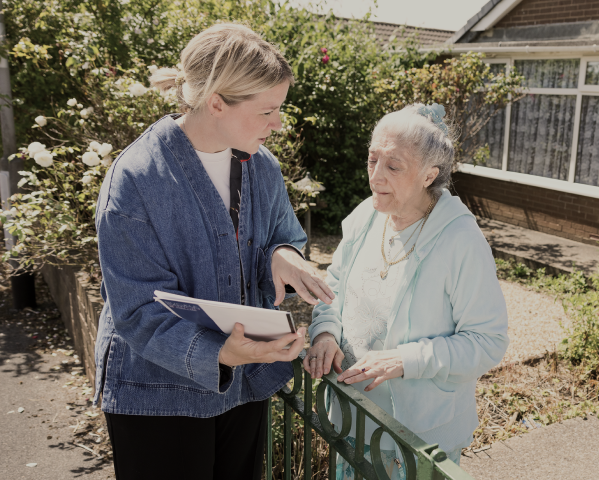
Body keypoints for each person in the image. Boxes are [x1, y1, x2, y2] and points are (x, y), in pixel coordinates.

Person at [92, 23, 334, 480]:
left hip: (242, 387)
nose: (278, 123)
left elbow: (285, 234)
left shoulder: (262, 166)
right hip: (157, 397)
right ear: (217, 102)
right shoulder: (136, 179)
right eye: (268, 110)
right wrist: (219, 352)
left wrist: (282, 255)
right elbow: (136, 309)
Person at [304, 103, 509, 479]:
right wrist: (325, 333)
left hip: (415, 439)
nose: (375, 176)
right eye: (372, 159)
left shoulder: (461, 239)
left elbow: (488, 341)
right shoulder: (366, 215)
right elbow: (333, 287)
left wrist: (406, 360)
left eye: (393, 165)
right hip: (353, 418)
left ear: (430, 175)